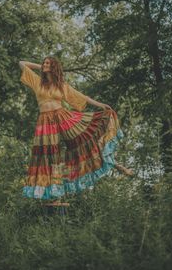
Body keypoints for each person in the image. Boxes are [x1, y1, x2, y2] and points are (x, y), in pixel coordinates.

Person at [19, 56, 133, 201]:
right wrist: (41, 67)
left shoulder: (61, 85)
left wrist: (100, 105)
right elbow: (21, 63)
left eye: (48, 63)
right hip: (45, 122)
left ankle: (117, 165)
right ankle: (55, 193)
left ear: (54, 66)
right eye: (44, 63)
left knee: (84, 140)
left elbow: (81, 96)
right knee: (48, 154)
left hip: (63, 117)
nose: (44, 64)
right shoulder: (37, 82)